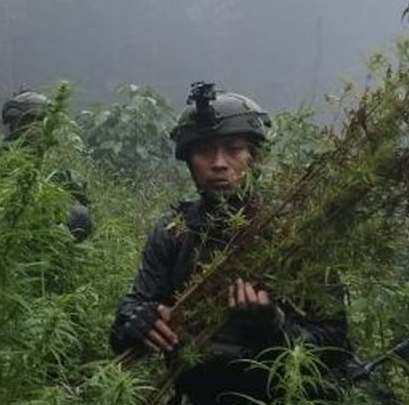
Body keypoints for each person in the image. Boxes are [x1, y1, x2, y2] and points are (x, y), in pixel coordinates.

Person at [110, 82, 351, 404]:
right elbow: (128, 320)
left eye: (234, 149)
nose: (219, 163)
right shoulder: (173, 231)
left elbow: (335, 343)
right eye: (205, 151)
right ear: (189, 161)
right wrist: (139, 320)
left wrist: (274, 328)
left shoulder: (294, 232)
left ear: (256, 158)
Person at [0, 90, 93, 241]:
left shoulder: (53, 168)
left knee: (79, 215)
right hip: (6, 236)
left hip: (43, 240)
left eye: (39, 121)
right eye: (30, 121)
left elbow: (79, 204)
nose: (36, 128)